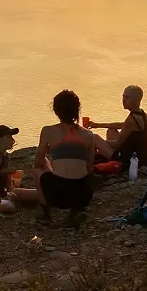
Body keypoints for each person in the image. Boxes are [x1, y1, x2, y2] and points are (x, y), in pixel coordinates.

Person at [34, 90, 114, 226]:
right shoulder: (88, 135)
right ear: (76, 110)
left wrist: (51, 163)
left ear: (56, 110)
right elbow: (89, 168)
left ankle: (43, 209)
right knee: (79, 175)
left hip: (58, 195)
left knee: (37, 168)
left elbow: (37, 162)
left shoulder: (48, 131)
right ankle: (76, 210)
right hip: (83, 194)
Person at [87, 85, 147, 165]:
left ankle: (91, 161)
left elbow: (117, 143)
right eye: (123, 97)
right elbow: (122, 125)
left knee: (94, 138)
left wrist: (102, 143)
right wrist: (97, 125)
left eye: (127, 98)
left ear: (136, 101)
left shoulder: (131, 120)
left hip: (128, 159)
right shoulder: (142, 114)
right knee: (111, 130)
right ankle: (104, 151)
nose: (123, 100)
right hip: (138, 153)